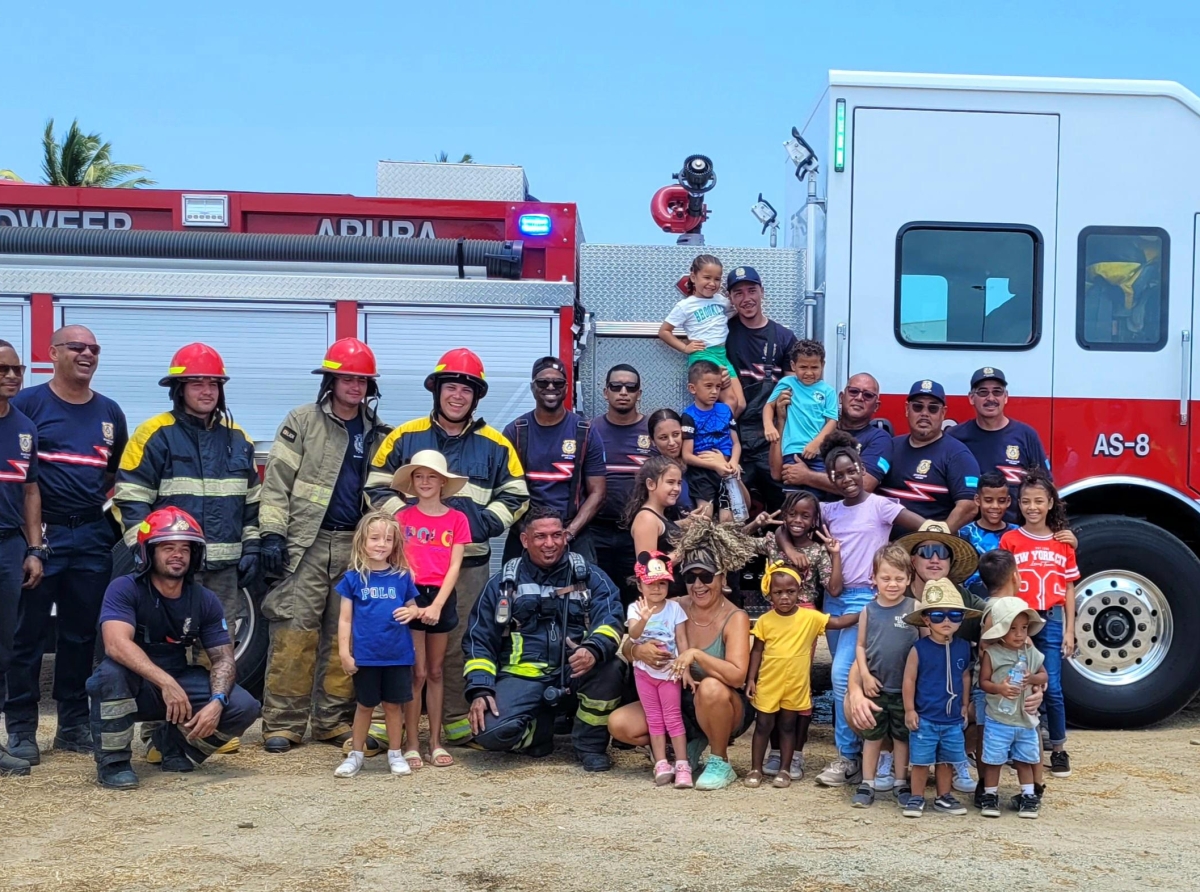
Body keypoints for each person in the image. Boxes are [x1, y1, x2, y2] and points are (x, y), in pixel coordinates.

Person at [365, 348, 528, 747]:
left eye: (466, 390)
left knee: (460, 641)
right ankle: (391, 723)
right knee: (396, 637)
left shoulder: (496, 444)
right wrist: (401, 529)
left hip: (466, 564)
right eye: (450, 387)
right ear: (436, 390)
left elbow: (517, 495)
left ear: (477, 397)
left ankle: (455, 719)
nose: (458, 396)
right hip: (408, 566)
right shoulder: (405, 437)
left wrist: (478, 526)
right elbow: (374, 486)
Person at [113, 343, 261, 750]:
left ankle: (201, 728)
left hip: (223, 568)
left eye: (213, 383)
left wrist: (251, 548)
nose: (206, 390)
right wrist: (144, 554)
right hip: (170, 571)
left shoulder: (238, 439)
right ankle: (158, 733)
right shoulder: (154, 433)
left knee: (217, 651)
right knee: (164, 652)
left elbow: (252, 503)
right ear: (178, 388)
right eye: (197, 382)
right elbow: (131, 499)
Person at [257, 338, 389, 754]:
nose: (355, 386)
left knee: (342, 638)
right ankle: (283, 723)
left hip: (355, 547)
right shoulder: (303, 421)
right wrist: (272, 534)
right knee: (295, 633)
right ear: (331, 380)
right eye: (347, 378)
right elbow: (276, 482)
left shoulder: (376, 431)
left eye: (362, 380)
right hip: (307, 545)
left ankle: (333, 722)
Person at [5, 325, 128, 766]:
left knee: (80, 634)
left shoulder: (110, 412)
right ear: (53, 352)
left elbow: (110, 475)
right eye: (77, 347)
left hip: (92, 535)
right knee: (27, 635)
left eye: (94, 348)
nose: (87, 354)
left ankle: (73, 725)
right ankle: (21, 729)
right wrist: (30, 539)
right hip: (39, 536)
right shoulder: (27, 404)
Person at [85, 507, 261, 790]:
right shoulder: (124, 588)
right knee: (109, 676)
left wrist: (217, 702)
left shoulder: (204, 599)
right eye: (167, 547)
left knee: (243, 706)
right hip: (135, 682)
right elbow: (116, 644)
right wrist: (165, 682)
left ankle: (175, 746)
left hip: (177, 677)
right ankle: (113, 762)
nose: (177, 555)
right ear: (148, 552)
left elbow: (223, 659)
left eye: (185, 549)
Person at [463, 506, 624, 772]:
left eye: (556, 535)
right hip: (522, 678)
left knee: (612, 669)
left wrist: (594, 649)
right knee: (489, 733)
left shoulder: (590, 576)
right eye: (540, 537)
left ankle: (589, 745)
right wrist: (481, 689)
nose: (550, 544)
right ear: (525, 541)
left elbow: (611, 618)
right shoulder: (503, 584)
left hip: (576, 672)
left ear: (565, 537)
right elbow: (479, 640)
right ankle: (541, 730)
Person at [809, 432, 924, 787]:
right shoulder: (826, 511)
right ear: (831, 479)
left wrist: (932, 560)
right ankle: (861, 752)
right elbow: (789, 521)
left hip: (868, 601)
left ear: (862, 469)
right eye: (838, 475)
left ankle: (848, 756)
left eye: (852, 471)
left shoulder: (881, 505)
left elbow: (923, 526)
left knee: (844, 674)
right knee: (848, 677)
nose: (847, 479)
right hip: (835, 599)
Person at [610, 519, 757, 791]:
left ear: (722, 577)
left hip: (723, 703)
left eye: (706, 576)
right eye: (691, 577)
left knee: (711, 688)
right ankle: (682, 749)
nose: (698, 584)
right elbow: (629, 645)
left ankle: (719, 759)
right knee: (620, 724)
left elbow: (737, 677)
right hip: (678, 697)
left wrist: (695, 654)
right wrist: (637, 650)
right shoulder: (673, 606)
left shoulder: (735, 616)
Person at [743, 561, 859, 789]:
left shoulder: (810, 617)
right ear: (769, 594)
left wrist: (864, 613)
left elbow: (836, 622)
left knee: (788, 726)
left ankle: (785, 769)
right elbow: (756, 650)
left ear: (799, 591)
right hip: (768, 682)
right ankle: (756, 768)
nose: (784, 597)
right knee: (763, 726)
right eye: (778, 593)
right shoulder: (765, 620)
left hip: (796, 684)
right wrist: (750, 678)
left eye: (790, 591)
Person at [393, 450, 470, 768]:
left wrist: (437, 605)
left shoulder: (457, 520)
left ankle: (435, 743)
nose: (425, 482)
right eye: (419, 477)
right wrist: (412, 603)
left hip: (441, 597)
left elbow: (455, 566)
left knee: (437, 672)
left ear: (443, 482)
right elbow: (396, 561)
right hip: (410, 597)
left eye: (432, 476)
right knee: (417, 672)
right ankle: (411, 743)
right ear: (412, 483)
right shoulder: (402, 518)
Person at [1001, 468, 1078, 780]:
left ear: (1050, 503)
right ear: (1019, 504)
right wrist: (1013, 624)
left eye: (1039, 501)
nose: (1032, 507)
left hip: (1052, 618)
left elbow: (1069, 588)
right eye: (1026, 501)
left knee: (1054, 687)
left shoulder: (1063, 543)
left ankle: (1058, 749)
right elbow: (1006, 585)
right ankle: (1017, 747)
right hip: (1020, 620)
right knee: (1018, 683)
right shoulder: (1011, 540)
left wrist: (1071, 630)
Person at [333, 510, 419, 779]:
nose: (381, 544)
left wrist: (413, 612)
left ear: (395, 544)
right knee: (364, 706)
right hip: (366, 657)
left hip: (397, 655)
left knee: (394, 706)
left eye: (388, 539)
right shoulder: (353, 579)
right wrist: (345, 654)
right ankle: (355, 755)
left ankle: (395, 753)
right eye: (375, 538)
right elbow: (345, 620)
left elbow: (413, 607)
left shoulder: (403, 576)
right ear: (362, 541)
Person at [502, 356, 606, 564]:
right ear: (533, 387)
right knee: (512, 593)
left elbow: (598, 492)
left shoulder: (585, 432)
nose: (551, 387)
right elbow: (503, 490)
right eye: (543, 382)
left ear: (566, 388)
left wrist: (568, 534)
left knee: (584, 594)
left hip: (573, 533)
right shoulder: (515, 431)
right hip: (525, 534)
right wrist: (529, 534)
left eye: (557, 383)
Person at [0, 343, 44, 777]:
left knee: (3, 647)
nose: (13, 375)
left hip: (9, 547)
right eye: (4, 368)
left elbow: (31, 491)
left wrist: (34, 550)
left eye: (18, 369)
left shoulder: (24, 427)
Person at [900, 579, 979, 818]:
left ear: (961, 619)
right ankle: (916, 796)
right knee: (921, 761)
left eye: (954, 615)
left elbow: (965, 676)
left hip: (952, 719)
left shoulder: (964, 647)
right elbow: (909, 680)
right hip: (925, 717)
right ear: (926, 619)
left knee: (947, 760)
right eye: (937, 616)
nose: (946, 621)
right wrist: (910, 709)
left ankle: (943, 796)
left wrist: (965, 705)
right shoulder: (919, 648)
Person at [723, 266, 798, 511]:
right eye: (738, 293)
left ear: (762, 292)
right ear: (730, 299)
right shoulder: (723, 333)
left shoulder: (784, 337)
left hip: (771, 438)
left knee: (783, 507)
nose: (746, 299)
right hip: (734, 438)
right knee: (734, 509)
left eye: (751, 291)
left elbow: (792, 391)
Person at [850, 544, 919, 808]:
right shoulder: (869, 610)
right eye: (886, 578)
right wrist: (865, 676)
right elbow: (860, 646)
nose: (892, 584)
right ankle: (867, 783)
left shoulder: (915, 608)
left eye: (899, 578)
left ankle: (901, 782)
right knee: (872, 737)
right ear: (874, 579)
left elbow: (924, 646)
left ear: (909, 579)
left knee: (902, 737)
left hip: (905, 691)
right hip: (876, 688)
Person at [978, 596, 1049, 819]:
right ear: (1001, 630)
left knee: (1025, 758)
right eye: (1013, 628)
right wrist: (999, 688)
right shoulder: (992, 653)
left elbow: (1044, 674)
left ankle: (1028, 796)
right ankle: (990, 795)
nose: (1020, 634)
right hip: (999, 717)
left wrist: (1032, 679)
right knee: (993, 759)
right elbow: (984, 682)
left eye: (1024, 628)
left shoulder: (1031, 653)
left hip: (1025, 718)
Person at [948, 367, 1049, 523]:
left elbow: (1046, 487)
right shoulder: (955, 437)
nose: (991, 398)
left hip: (1017, 531)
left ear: (1006, 397)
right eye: (983, 392)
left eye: (997, 392)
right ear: (971, 398)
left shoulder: (1026, 435)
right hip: (970, 534)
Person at [772, 373, 893, 500]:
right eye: (853, 391)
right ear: (841, 397)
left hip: (846, 517)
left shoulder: (880, 438)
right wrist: (781, 421)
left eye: (868, 395)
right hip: (803, 516)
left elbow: (865, 485)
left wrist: (807, 476)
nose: (859, 398)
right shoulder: (815, 426)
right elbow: (776, 473)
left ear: (876, 406)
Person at [627, 551, 691, 788]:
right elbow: (633, 635)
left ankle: (683, 764)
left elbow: (682, 640)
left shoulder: (674, 609)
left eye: (662, 583)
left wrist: (684, 667)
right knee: (654, 718)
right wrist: (643, 619)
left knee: (672, 717)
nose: (657, 589)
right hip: (644, 672)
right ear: (640, 585)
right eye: (651, 584)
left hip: (669, 672)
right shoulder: (635, 609)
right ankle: (662, 763)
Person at [590, 364, 654, 604]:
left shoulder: (653, 429)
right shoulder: (589, 430)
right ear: (606, 392)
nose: (623, 391)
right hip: (596, 531)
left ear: (639, 392)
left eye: (631, 387)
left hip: (638, 533)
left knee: (638, 598)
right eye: (616, 386)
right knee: (598, 598)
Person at [879, 380, 980, 530]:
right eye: (918, 407)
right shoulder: (889, 447)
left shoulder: (958, 455)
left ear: (943, 413)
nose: (924, 414)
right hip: (883, 547)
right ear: (907, 409)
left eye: (933, 408)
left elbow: (969, 506)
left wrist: (938, 537)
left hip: (929, 550)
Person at [658, 254, 745, 415]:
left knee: (740, 404)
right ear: (693, 277)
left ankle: (719, 429)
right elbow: (664, 331)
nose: (712, 283)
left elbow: (733, 312)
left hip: (722, 355)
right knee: (730, 401)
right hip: (704, 356)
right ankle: (717, 436)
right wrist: (685, 347)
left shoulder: (721, 301)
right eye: (707, 277)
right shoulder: (685, 306)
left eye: (717, 279)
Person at [763, 340, 838, 494]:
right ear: (793, 365)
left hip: (817, 453)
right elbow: (769, 406)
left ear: (822, 365)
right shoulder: (787, 383)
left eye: (814, 367)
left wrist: (816, 443)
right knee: (793, 497)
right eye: (803, 367)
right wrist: (769, 426)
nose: (809, 373)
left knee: (816, 497)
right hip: (792, 451)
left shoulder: (828, 391)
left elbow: (832, 421)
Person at [680, 361, 741, 518]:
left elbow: (736, 443)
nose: (714, 392)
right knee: (705, 515)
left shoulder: (726, 410)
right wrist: (714, 465)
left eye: (718, 386)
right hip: (702, 473)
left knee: (727, 519)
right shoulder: (688, 416)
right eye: (708, 386)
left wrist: (734, 462)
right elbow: (687, 456)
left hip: (727, 469)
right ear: (692, 388)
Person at [647, 408, 697, 516]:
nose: (672, 442)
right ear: (653, 441)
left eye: (676, 434)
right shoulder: (653, 472)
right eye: (663, 437)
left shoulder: (699, 460)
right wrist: (685, 523)